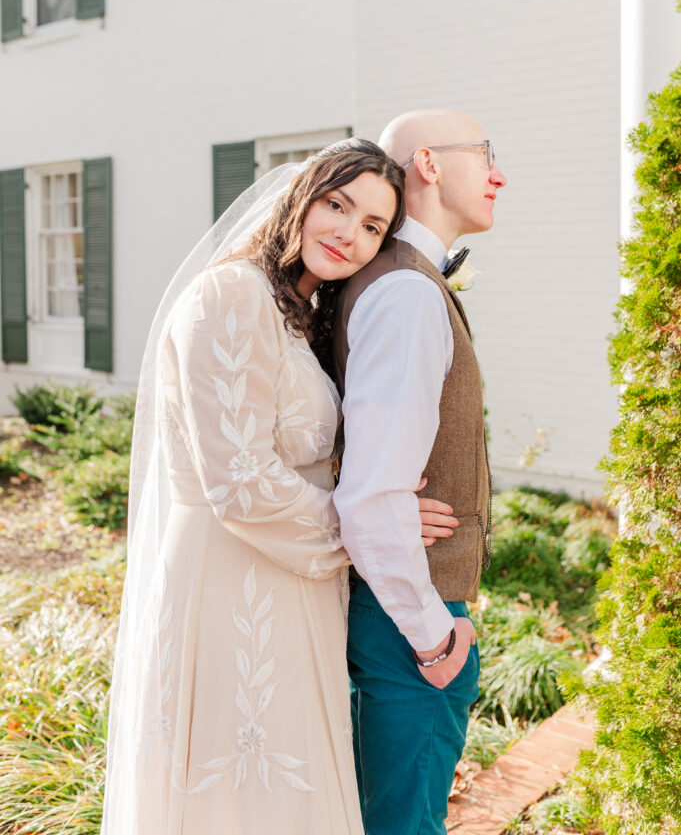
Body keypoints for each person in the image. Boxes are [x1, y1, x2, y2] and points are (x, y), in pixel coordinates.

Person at [101, 138, 449, 835]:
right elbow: (238, 480)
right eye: (337, 204)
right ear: (299, 200)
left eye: (373, 226)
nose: (349, 233)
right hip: (227, 585)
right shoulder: (229, 295)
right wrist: (371, 528)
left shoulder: (297, 317)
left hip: (293, 586)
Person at [332, 109, 508, 835]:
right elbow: (373, 493)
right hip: (408, 621)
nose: (498, 174)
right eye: (486, 154)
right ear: (430, 165)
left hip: (394, 611)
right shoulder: (405, 293)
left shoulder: (398, 280)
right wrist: (434, 635)